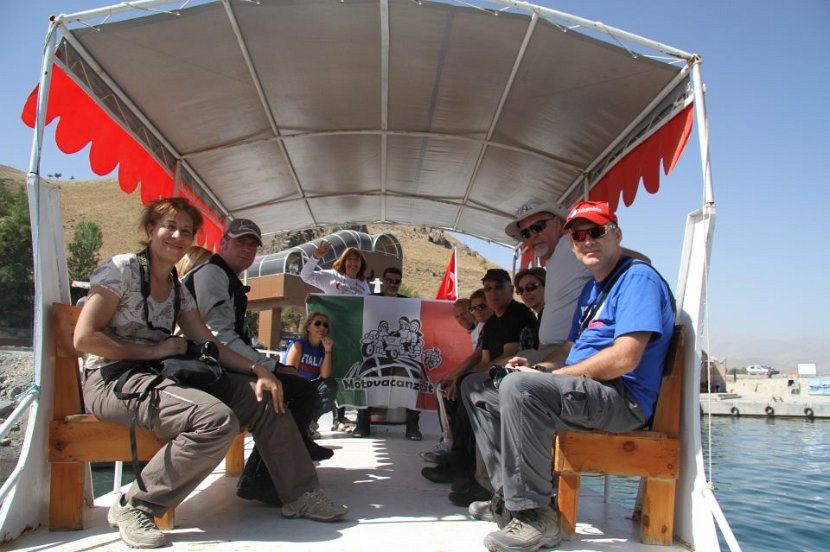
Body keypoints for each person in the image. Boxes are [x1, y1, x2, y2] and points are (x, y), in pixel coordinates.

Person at [74, 199, 348, 549]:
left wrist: (258, 370)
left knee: (266, 398)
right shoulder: (123, 269)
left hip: (159, 375)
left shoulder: (175, 286)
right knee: (216, 420)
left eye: (186, 230)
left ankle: (299, 494)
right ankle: (136, 505)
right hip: (115, 379)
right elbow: (84, 338)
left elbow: (209, 343)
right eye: (169, 226)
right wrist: (152, 352)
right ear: (150, 229)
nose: (177, 235)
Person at [462, 200, 674, 552]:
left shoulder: (637, 278)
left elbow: (626, 357)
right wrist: (541, 368)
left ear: (616, 234)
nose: (587, 241)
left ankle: (535, 515)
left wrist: (556, 376)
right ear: (571, 244)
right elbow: (568, 349)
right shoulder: (592, 290)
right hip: (585, 391)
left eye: (596, 232)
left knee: (519, 389)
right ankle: (507, 498)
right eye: (578, 236)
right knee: (479, 388)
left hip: (621, 399)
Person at [181, 220, 333, 510]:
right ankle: (261, 479)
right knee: (297, 390)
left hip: (216, 365)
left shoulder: (226, 277)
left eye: (253, 244)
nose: (247, 249)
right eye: (241, 242)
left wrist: (269, 365)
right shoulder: (212, 274)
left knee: (297, 385)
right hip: (202, 371)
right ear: (223, 242)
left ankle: (274, 465)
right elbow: (218, 337)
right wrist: (269, 367)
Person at [423, 270, 537, 507]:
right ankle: (460, 463)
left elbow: (509, 355)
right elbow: (484, 360)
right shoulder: (493, 322)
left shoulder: (518, 314)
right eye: (488, 288)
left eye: (498, 287)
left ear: (509, 289)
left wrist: (467, 380)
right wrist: (460, 379)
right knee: (453, 391)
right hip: (497, 375)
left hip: (515, 378)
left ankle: (473, 474)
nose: (493, 293)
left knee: (469, 393)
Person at [300, 241, 371, 430]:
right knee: (332, 372)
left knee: (353, 372)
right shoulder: (331, 277)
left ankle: (350, 415)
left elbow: (369, 307)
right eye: (350, 260)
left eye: (357, 261)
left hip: (355, 336)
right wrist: (316, 256)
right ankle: (336, 418)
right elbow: (305, 275)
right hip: (333, 336)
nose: (353, 264)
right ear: (343, 261)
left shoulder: (364, 284)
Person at [420, 293, 488, 463]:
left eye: (464, 313)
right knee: (443, 387)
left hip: (488, 376)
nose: (461, 319)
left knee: (443, 388)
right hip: (479, 374)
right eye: (457, 316)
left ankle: (451, 444)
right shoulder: (475, 330)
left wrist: (456, 377)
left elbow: (477, 358)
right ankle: (450, 441)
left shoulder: (483, 326)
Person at [363, 266, 422, 440]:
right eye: (389, 280)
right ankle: (362, 421)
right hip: (375, 352)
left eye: (396, 282)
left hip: (399, 352)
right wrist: (317, 299)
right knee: (364, 374)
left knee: (412, 380)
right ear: (383, 280)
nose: (392, 284)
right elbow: (347, 305)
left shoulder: (409, 303)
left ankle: (413, 425)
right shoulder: (370, 299)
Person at [284, 312, 337, 437]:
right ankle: (300, 425)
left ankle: (308, 423)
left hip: (310, 386)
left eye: (325, 325)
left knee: (329, 386)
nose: (322, 327)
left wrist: (328, 351)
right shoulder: (299, 345)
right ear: (308, 327)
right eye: (317, 323)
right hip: (293, 385)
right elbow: (289, 372)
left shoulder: (322, 349)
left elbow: (324, 376)